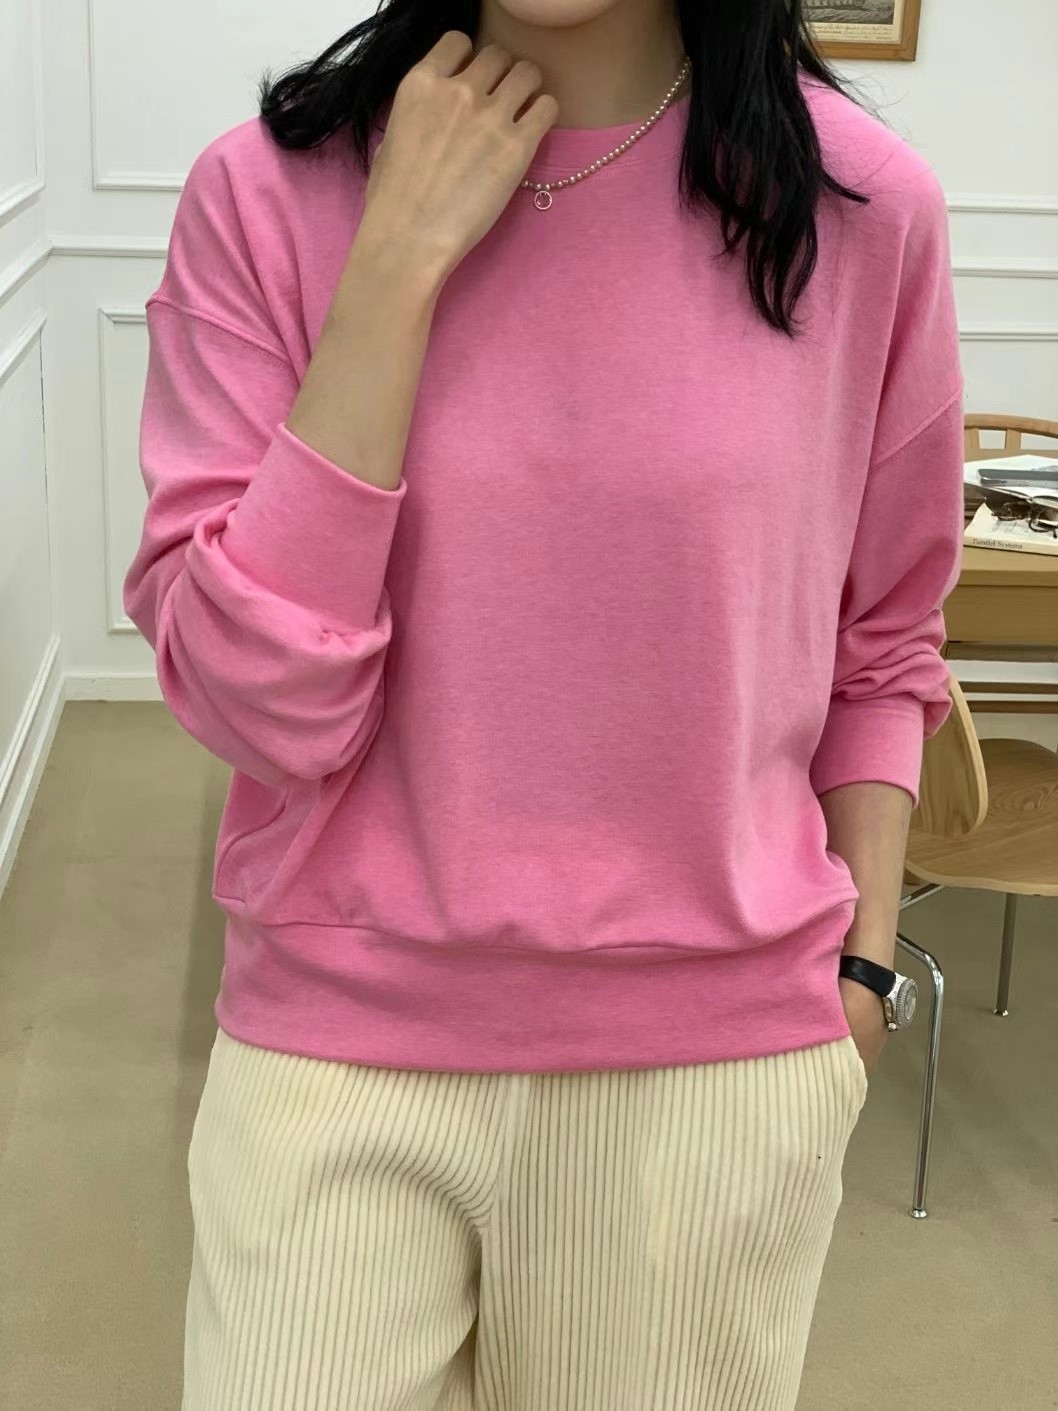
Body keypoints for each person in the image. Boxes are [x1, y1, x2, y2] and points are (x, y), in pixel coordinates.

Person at [122, 1, 965, 1407]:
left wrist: (864, 972)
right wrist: (394, 266)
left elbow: (879, 641)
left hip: (714, 1067)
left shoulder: (864, 209)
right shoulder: (266, 195)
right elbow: (257, 707)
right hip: (338, 1043)